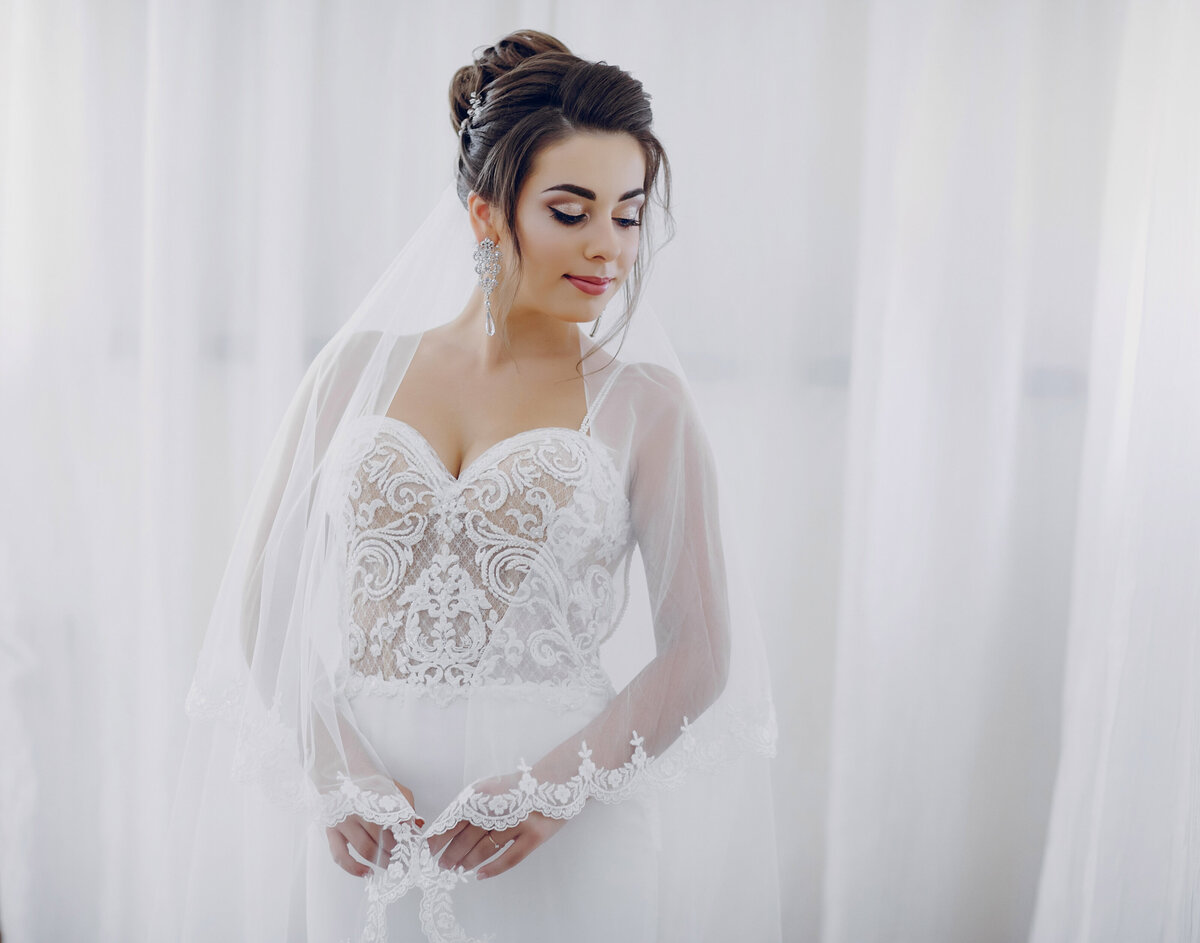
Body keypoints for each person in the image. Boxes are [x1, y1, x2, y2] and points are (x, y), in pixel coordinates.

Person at [154, 29, 780, 943]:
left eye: (629, 213)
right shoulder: (353, 375)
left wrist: (554, 788)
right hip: (370, 832)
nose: (609, 248)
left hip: (556, 833)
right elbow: (266, 601)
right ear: (488, 214)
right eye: (572, 211)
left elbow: (702, 650)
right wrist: (339, 769)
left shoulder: (647, 406)